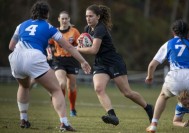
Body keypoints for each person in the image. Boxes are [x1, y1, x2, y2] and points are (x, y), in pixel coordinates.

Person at [8, 0, 91, 132]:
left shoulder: (21, 25)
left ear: (33, 13)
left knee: (23, 86)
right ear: (47, 14)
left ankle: (23, 119)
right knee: (57, 89)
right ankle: (64, 123)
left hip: (16, 57)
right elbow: (68, 46)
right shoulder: (49, 27)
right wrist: (83, 61)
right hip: (34, 56)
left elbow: (11, 46)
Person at [77, 4, 153, 126]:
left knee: (127, 93)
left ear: (98, 16)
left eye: (91, 16)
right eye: (86, 16)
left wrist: (77, 49)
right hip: (100, 64)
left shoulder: (100, 28)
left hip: (114, 62)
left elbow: (93, 50)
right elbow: (87, 47)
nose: (88, 18)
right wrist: (82, 58)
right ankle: (112, 115)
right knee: (98, 88)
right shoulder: (87, 29)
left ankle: (148, 108)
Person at [145, 19, 189, 133]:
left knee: (163, 96)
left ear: (173, 32)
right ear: (187, 32)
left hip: (175, 76)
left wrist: (150, 77)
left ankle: (153, 124)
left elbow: (152, 65)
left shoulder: (169, 44)